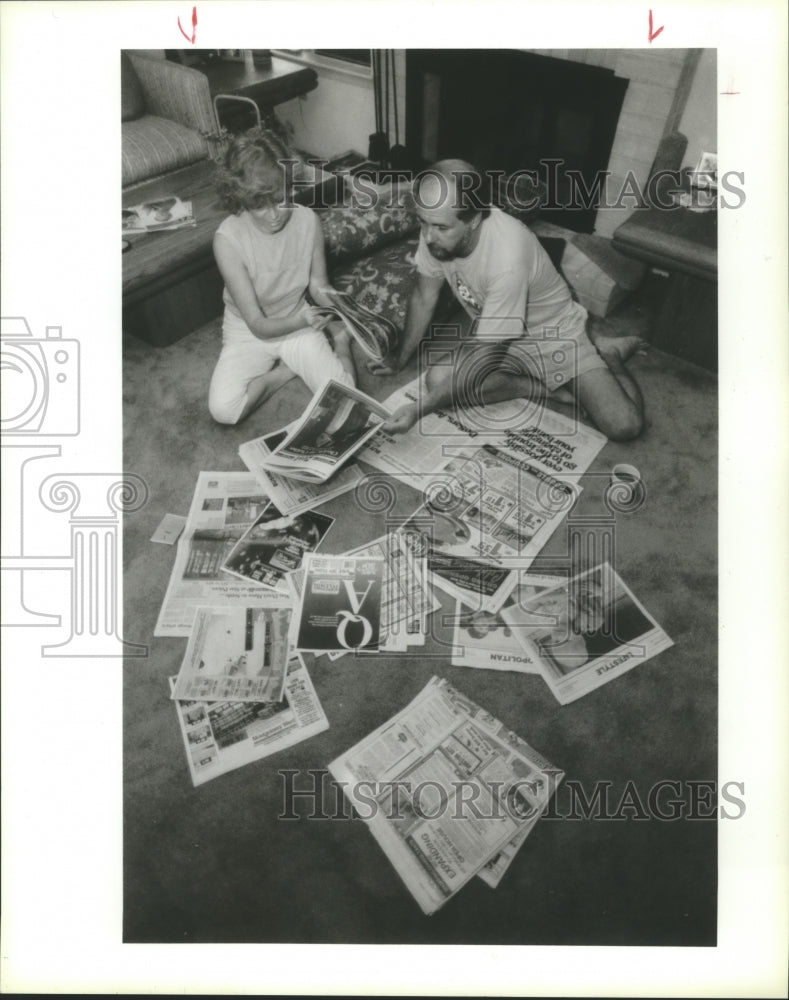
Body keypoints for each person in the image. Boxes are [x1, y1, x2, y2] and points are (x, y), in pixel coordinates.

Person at [369, 159, 646, 441]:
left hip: (555, 335)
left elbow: (486, 357)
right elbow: (423, 296)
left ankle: (608, 354)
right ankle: (538, 387)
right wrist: (399, 358)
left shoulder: (507, 257)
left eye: (440, 227)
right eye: (423, 222)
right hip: (502, 335)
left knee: (624, 425)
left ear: (474, 219)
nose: (428, 237)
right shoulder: (436, 232)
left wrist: (418, 410)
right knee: (437, 381)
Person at [208, 128, 355, 425]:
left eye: (281, 198)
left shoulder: (307, 220)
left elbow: (318, 284)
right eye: (259, 204)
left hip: (295, 320)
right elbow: (258, 325)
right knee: (224, 411)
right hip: (247, 332)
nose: (274, 213)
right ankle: (285, 372)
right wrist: (304, 322)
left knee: (348, 402)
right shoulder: (227, 239)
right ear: (240, 198)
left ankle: (341, 341)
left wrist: (338, 311)